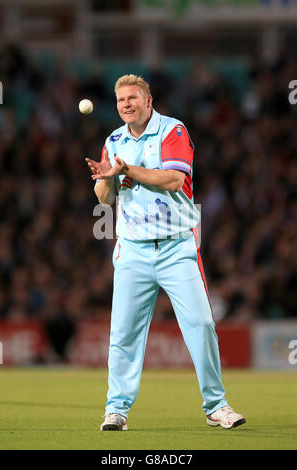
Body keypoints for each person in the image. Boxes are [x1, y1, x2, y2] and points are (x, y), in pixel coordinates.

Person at [85, 74, 246, 431]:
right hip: (133, 252)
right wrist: (106, 178)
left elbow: (174, 180)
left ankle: (216, 406)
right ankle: (116, 410)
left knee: (202, 324)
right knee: (123, 334)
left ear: (148, 100)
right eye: (120, 100)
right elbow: (105, 200)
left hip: (177, 248)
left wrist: (127, 170)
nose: (126, 104)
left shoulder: (173, 131)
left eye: (132, 98)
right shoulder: (113, 140)